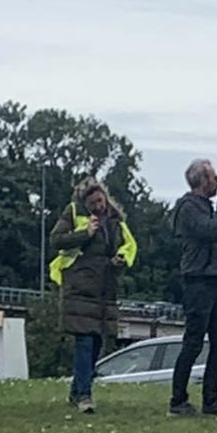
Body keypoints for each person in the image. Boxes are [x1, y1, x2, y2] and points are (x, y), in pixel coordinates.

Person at [49, 177, 137, 413]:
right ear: (84, 202)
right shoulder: (74, 213)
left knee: (97, 343)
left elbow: (129, 247)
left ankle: (77, 390)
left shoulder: (117, 222)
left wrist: (121, 260)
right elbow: (56, 241)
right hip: (80, 288)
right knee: (85, 342)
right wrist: (84, 233)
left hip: (105, 290)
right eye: (93, 203)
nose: (98, 206)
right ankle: (84, 396)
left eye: (100, 200)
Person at [168, 158, 217, 418]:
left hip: (213, 282)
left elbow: (211, 247)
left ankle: (211, 400)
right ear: (201, 181)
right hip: (197, 283)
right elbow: (213, 233)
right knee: (193, 343)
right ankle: (178, 401)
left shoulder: (204, 207)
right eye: (212, 177)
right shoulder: (188, 208)